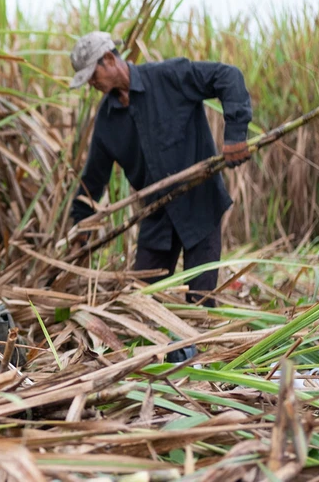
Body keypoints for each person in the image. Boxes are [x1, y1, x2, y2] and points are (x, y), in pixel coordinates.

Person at [67, 32, 252, 318]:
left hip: (199, 206)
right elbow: (93, 178)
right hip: (157, 216)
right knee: (142, 307)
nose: (92, 84)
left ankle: (200, 356)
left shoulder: (169, 77)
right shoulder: (107, 121)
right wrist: (81, 224)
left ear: (108, 59)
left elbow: (228, 76)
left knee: (200, 305)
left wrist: (236, 135)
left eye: (93, 75)